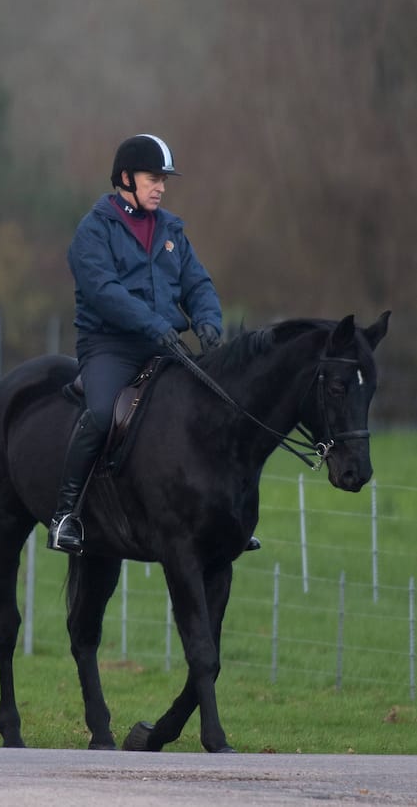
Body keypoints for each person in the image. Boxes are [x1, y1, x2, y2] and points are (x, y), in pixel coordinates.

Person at [47, 133, 259, 556]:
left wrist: (208, 321)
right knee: (104, 413)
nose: (160, 186)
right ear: (125, 178)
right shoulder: (93, 232)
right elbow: (104, 291)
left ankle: (222, 514)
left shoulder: (170, 230)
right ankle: (65, 514)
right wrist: (153, 324)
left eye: (164, 179)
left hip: (162, 342)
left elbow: (197, 282)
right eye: (152, 177)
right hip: (110, 346)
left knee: (212, 404)